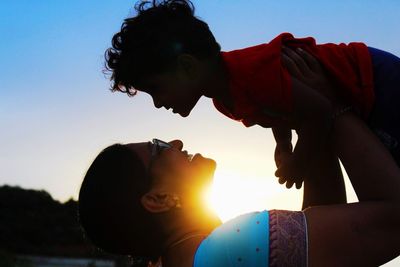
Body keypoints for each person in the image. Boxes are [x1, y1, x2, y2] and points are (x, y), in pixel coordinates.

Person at [104, 0, 400, 188]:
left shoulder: (250, 74)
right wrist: (283, 143)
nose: (157, 103)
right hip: (365, 102)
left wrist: (299, 160)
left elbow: (319, 111)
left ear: (187, 66)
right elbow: (282, 108)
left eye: (155, 89)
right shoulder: (225, 99)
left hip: (378, 81)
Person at [78, 110, 400, 266]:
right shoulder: (231, 248)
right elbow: (393, 223)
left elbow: (323, 251)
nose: (175, 141)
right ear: (158, 199)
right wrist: (330, 105)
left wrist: (311, 132)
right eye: (159, 148)